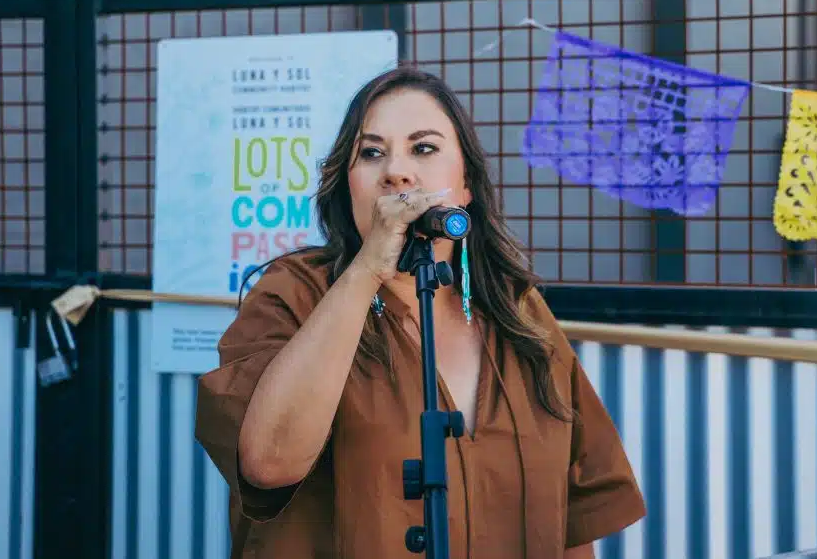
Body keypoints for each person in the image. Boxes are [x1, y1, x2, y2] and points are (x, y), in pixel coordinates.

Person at [195, 66, 645, 558]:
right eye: (371, 153)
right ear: (349, 186)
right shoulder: (293, 294)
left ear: (466, 183)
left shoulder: (518, 311)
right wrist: (368, 268)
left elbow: (573, 520)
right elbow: (268, 463)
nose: (396, 171)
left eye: (424, 148)